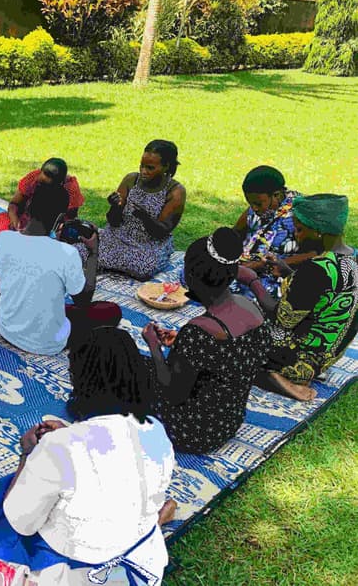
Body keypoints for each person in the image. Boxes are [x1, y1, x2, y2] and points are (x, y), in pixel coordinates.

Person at [0, 327, 176, 586]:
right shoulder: (155, 430)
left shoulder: (59, 447)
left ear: (80, 379)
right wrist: (71, 434)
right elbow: (111, 455)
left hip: (75, 573)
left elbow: (19, 523)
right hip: (140, 563)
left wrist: (27, 455)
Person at [0, 183, 121, 355]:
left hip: (7, 328)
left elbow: (37, 259)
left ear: (27, 208)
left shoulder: (4, 239)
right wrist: (93, 253)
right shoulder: (67, 253)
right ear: (60, 219)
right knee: (111, 311)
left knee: (7, 285)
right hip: (48, 342)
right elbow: (83, 300)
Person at [142, 228, 270, 454]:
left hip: (189, 432)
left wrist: (154, 346)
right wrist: (182, 345)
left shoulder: (199, 332)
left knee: (136, 367)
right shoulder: (253, 310)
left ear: (190, 278)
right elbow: (225, 364)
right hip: (228, 422)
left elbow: (173, 393)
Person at [240, 194, 357, 401]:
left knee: (231, 339)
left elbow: (282, 318)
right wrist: (288, 273)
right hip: (327, 356)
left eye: (300, 229)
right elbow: (322, 297)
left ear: (319, 231)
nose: (296, 235)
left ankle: (273, 377)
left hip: (297, 361)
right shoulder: (351, 259)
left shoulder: (314, 270)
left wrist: (252, 282)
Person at [98, 140, 186, 280]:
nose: (143, 171)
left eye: (150, 168)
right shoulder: (131, 179)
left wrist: (145, 218)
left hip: (149, 244)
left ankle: (113, 264)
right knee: (84, 249)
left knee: (143, 266)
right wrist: (115, 207)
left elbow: (162, 232)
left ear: (166, 166)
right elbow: (113, 222)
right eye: (141, 166)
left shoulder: (175, 191)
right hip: (120, 235)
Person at [230, 165, 315, 296]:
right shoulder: (256, 209)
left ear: (276, 195)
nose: (254, 208)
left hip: (273, 279)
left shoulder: (300, 213)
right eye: (250, 203)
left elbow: (315, 253)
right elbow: (235, 233)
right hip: (243, 268)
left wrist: (266, 265)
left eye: (258, 204)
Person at [0, 157, 85, 236]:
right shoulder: (33, 178)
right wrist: (15, 220)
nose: (42, 186)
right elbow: (14, 204)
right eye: (41, 182)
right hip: (27, 220)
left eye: (47, 185)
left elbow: (70, 218)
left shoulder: (71, 189)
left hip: (51, 227)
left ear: (61, 183)